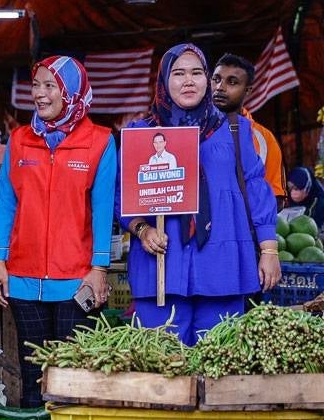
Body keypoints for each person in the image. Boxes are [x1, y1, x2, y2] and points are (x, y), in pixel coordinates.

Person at [119, 43, 281, 346]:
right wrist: (142, 230)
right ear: (164, 80)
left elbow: (257, 188)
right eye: (178, 73)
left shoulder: (234, 129)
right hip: (162, 268)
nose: (188, 80)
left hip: (222, 264)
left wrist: (269, 251)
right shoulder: (142, 133)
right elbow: (122, 196)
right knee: (162, 369)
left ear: (208, 79)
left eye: (197, 72)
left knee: (219, 362)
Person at [0, 55, 116, 407]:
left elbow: (104, 209)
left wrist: (99, 268)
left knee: (71, 374)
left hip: (77, 279)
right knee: (33, 375)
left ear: (71, 92)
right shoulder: (19, 140)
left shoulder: (100, 141)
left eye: (50, 86)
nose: (40, 95)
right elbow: (7, 203)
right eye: (36, 85)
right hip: (23, 277)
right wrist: (0, 261)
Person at [212, 53, 286, 208]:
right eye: (216, 79)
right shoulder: (192, 131)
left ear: (248, 90)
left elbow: (276, 199)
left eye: (232, 82)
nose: (220, 87)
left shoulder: (264, 138)